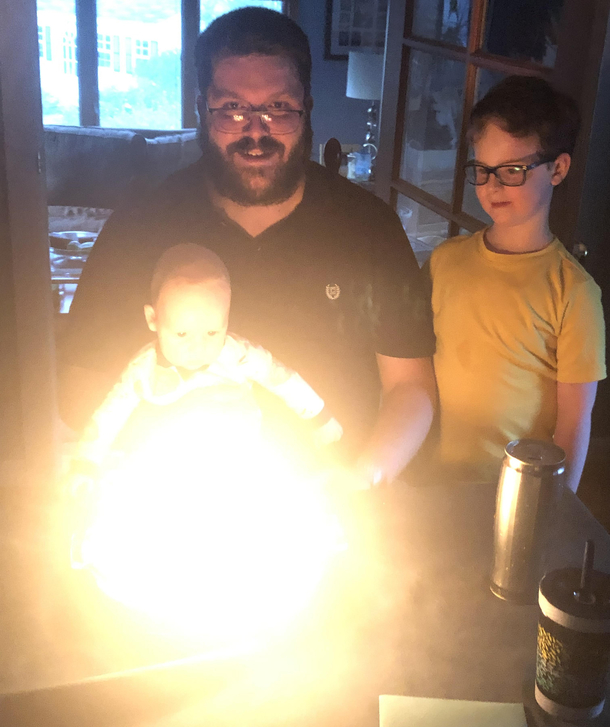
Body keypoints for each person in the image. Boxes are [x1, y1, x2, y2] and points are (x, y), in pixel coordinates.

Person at [58, 7, 436, 488]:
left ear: (307, 108)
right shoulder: (140, 225)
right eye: (232, 108)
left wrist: (366, 476)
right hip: (168, 501)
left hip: (334, 503)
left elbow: (412, 388)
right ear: (201, 110)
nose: (256, 131)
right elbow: (81, 376)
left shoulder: (368, 228)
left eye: (278, 107)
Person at [428, 76, 606, 491]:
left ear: (557, 168)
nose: (492, 186)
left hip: (516, 493)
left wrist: (554, 511)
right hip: (435, 481)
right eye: (483, 170)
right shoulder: (444, 261)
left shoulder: (573, 292)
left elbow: (575, 420)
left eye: (512, 170)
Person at [70, 243, 343, 480]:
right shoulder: (143, 370)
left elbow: (283, 379)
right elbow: (110, 414)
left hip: (238, 459)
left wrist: (321, 420)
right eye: (181, 334)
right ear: (153, 319)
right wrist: (86, 464)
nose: (197, 347)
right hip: (166, 465)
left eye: (212, 332)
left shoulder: (239, 354)